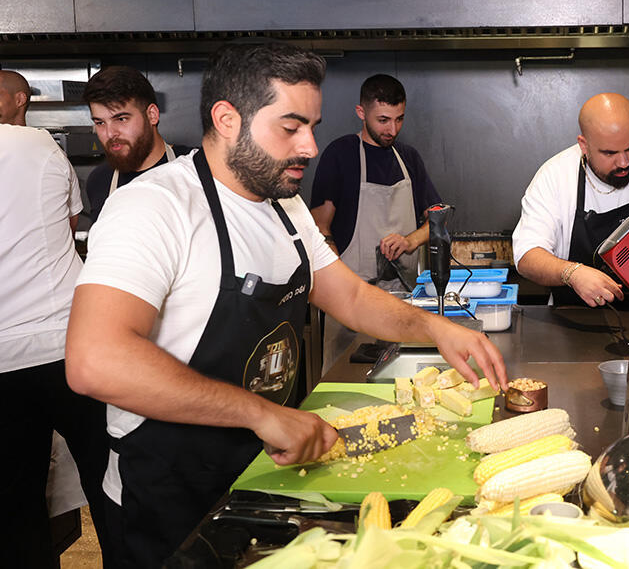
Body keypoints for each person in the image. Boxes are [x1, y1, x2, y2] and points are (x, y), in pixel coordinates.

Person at [65, 43, 506, 568]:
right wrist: (261, 413)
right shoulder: (154, 207)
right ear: (227, 119)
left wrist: (433, 328)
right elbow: (95, 360)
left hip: (267, 471)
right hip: (171, 493)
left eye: (312, 126)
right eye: (291, 127)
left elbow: (348, 295)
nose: (311, 146)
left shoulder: (285, 204)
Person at [0, 113, 110, 567]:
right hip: (69, 341)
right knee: (108, 480)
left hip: (4, 357)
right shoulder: (40, 145)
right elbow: (67, 226)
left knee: (14, 499)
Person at [512, 92, 629, 307]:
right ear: (584, 145)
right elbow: (527, 257)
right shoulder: (555, 175)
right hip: (575, 319)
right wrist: (572, 273)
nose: (624, 162)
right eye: (609, 153)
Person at [310, 74, 441, 290]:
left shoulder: (408, 157)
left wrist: (410, 241)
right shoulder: (340, 154)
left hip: (404, 292)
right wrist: (340, 282)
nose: (393, 130)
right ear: (361, 112)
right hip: (351, 292)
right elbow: (319, 227)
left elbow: (437, 220)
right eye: (383, 120)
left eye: (399, 119)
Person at [82, 65, 194, 221]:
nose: (110, 133)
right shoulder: (99, 181)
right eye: (100, 123)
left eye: (121, 119)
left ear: (152, 115)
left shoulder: (197, 168)